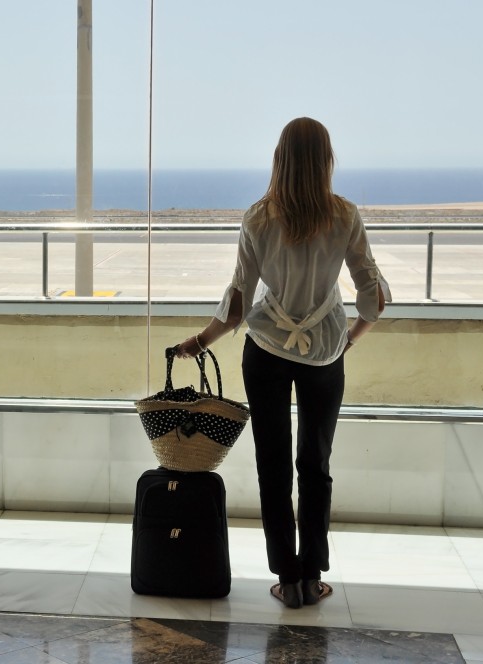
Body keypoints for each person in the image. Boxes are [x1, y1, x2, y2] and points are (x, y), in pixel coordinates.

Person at [175, 117, 391, 609]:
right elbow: (373, 297)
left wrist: (200, 339)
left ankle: (286, 579)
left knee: (272, 464)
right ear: (326, 160)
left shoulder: (258, 218)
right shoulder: (345, 216)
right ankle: (313, 575)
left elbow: (237, 301)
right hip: (325, 353)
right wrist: (350, 338)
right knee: (315, 463)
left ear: (279, 158)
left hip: (267, 350)